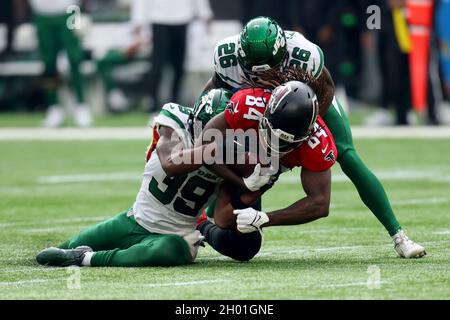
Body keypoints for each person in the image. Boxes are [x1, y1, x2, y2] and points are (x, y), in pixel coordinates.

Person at [202, 16, 425, 258]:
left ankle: (399, 236)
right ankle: (202, 215)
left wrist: (304, 131)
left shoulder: (303, 54)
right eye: (254, 68)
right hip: (261, 108)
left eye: (269, 67)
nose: (262, 74)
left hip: (307, 105)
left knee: (347, 155)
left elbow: (327, 88)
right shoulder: (227, 56)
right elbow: (215, 88)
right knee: (223, 146)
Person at [35, 88, 267, 267]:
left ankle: (85, 259)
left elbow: (222, 214)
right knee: (54, 252)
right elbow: (171, 163)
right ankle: (76, 252)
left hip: (177, 235)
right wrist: (217, 148)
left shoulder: (234, 155)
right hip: (134, 219)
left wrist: (246, 184)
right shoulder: (176, 123)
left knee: (169, 249)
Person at [131, 0, 213, 112]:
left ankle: (175, 101)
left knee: (179, 64)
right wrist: (138, 21)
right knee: (157, 64)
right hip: (158, 19)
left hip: (182, 18)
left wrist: (205, 13)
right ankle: (152, 101)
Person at [29, 0, 92, 128]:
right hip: (41, 13)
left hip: (69, 11)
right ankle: (54, 108)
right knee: (48, 64)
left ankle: (81, 107)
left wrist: (84, 11)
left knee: (74, 59)